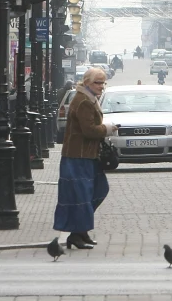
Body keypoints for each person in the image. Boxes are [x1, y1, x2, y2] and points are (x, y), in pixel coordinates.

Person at [53, 67, 117, 251]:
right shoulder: (83, 101)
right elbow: (89, 130)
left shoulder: (89, 99)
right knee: (80, 196)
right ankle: (77, 233)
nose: (101, 86)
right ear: (87, 82)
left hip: (88, 155)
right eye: (98, 83)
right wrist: (108, 129)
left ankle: (80, 230)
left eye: (103, 82)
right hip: (77, 156)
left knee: (97, 190)